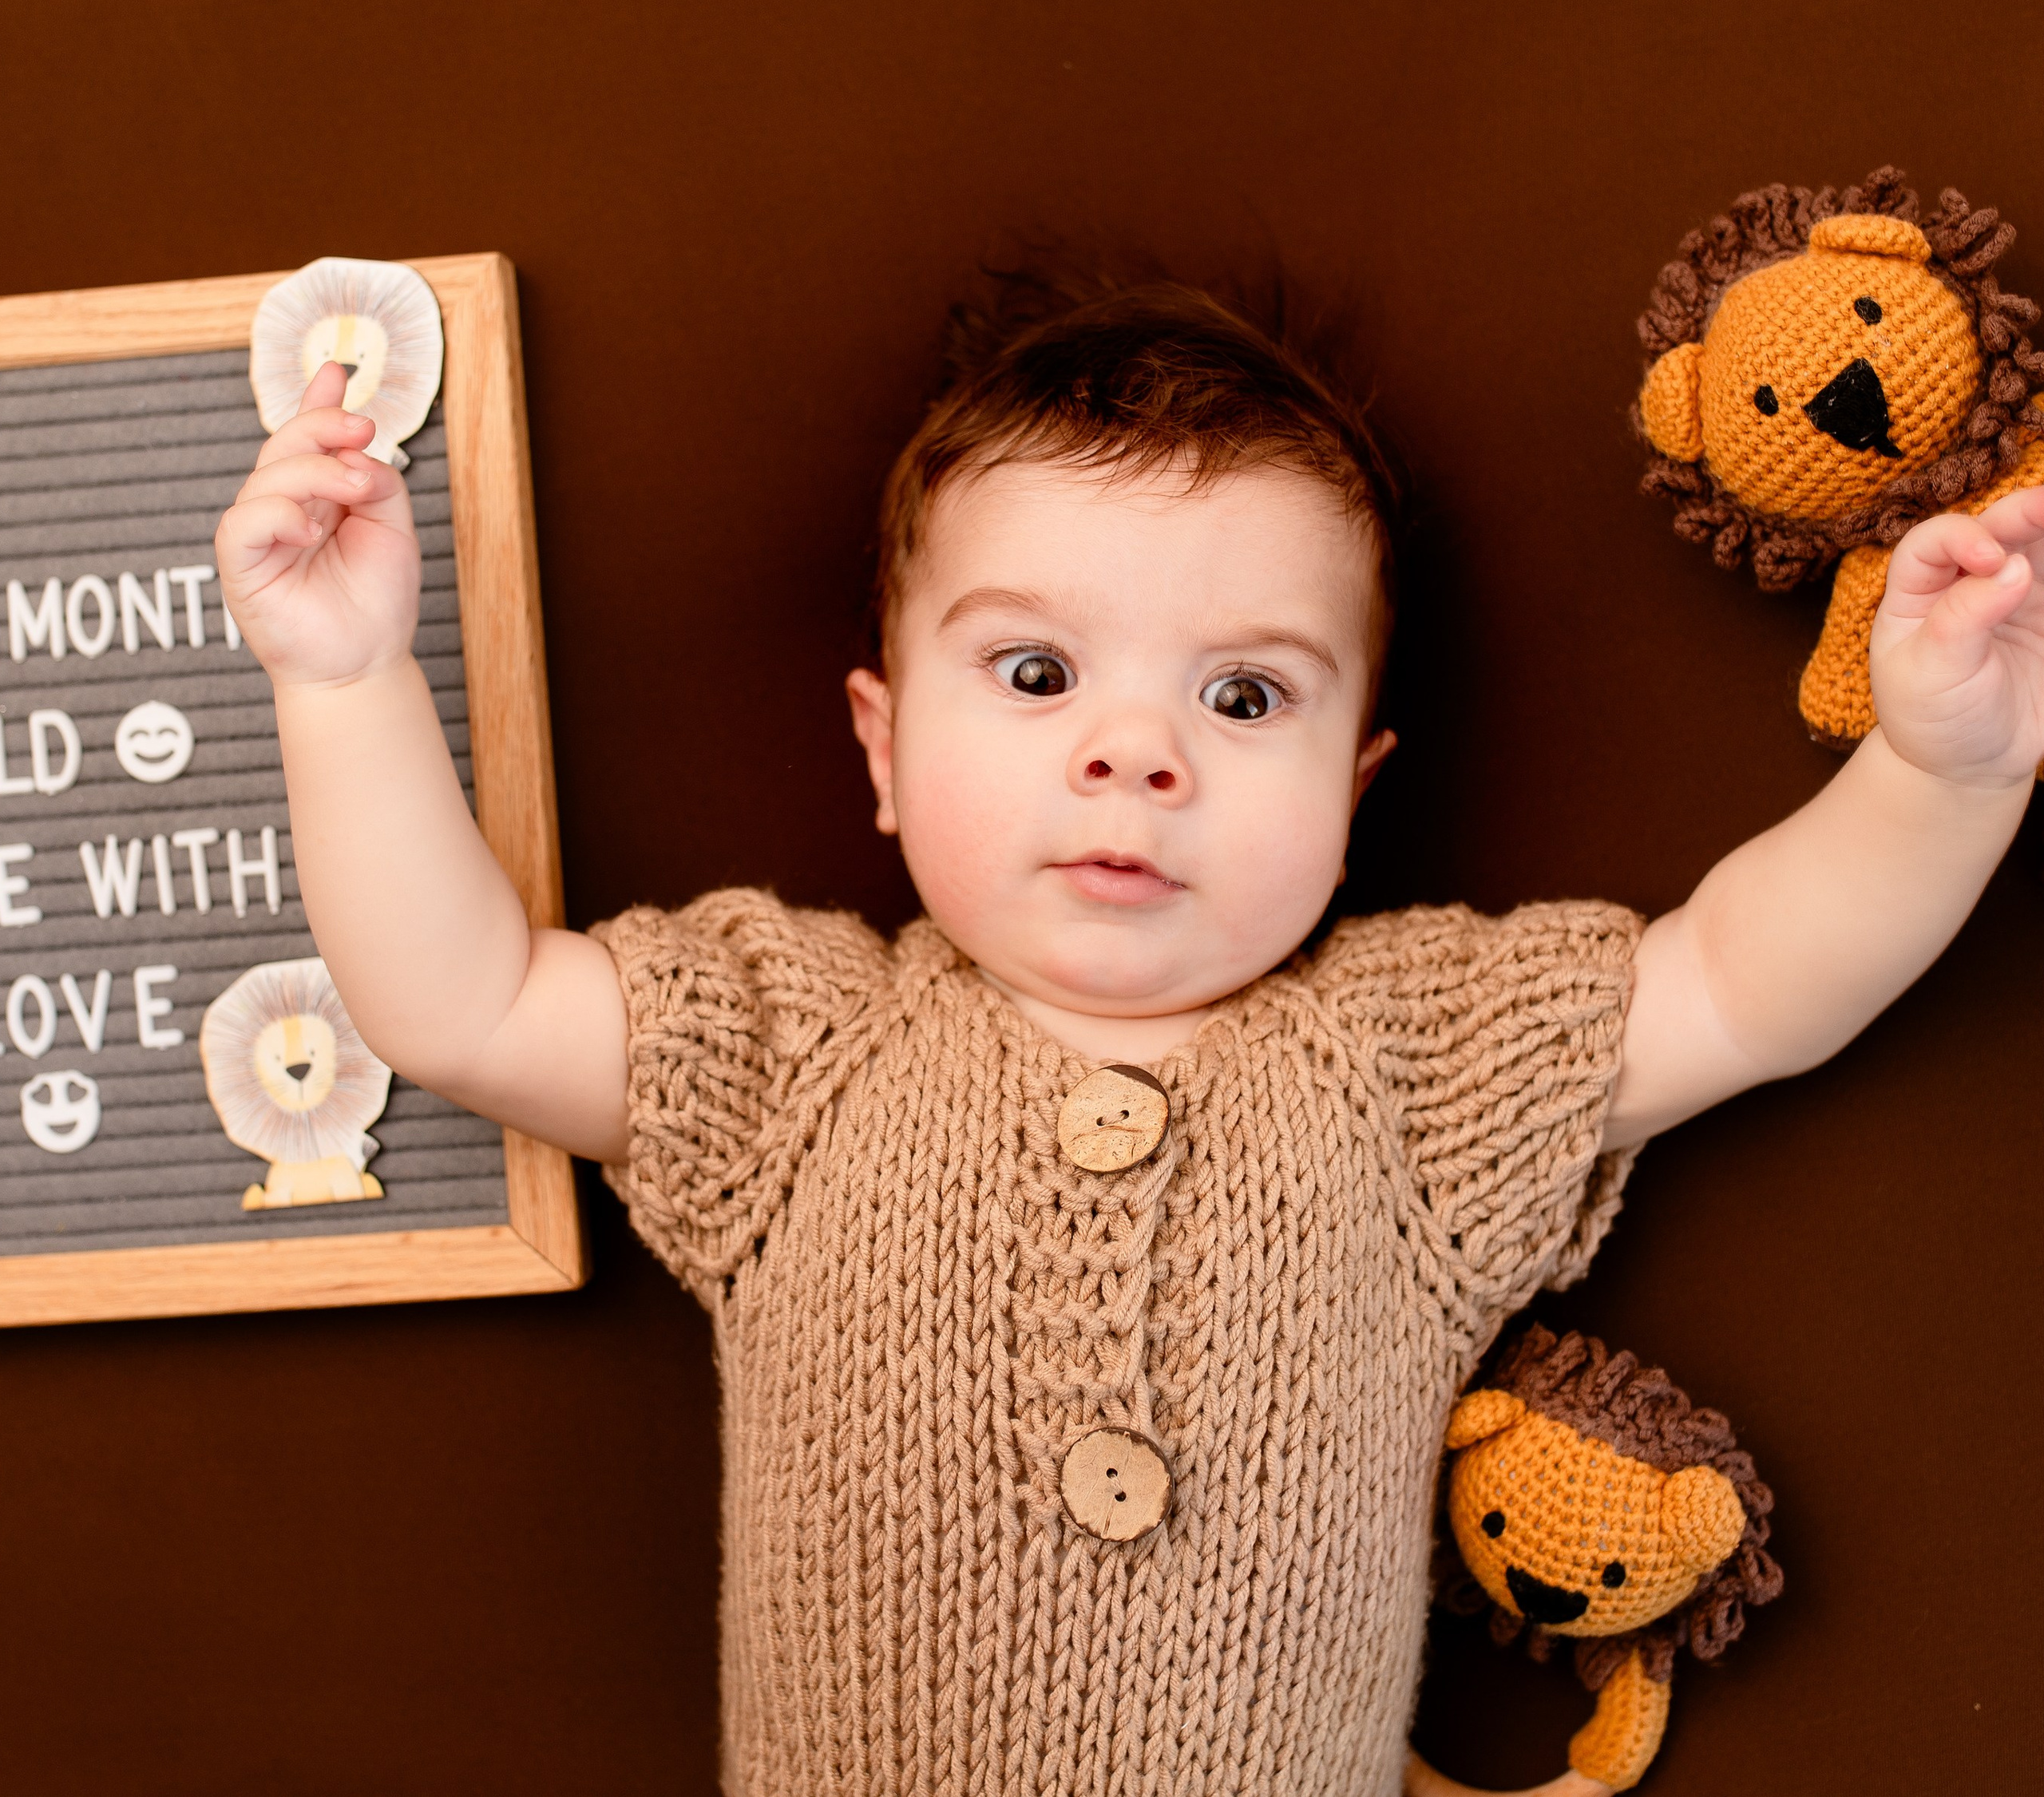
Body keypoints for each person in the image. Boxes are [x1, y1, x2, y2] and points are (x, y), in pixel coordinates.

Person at [216, 270, 2044, 1795]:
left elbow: (1740, 979)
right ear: (875, 743)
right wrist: (344, 677)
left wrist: (1937, 772)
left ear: (1353, 782)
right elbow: (458, 1000)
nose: (1132, 750)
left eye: (1242, 694)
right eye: (1033, 673)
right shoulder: (786, 1049)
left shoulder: (1409, 1066)